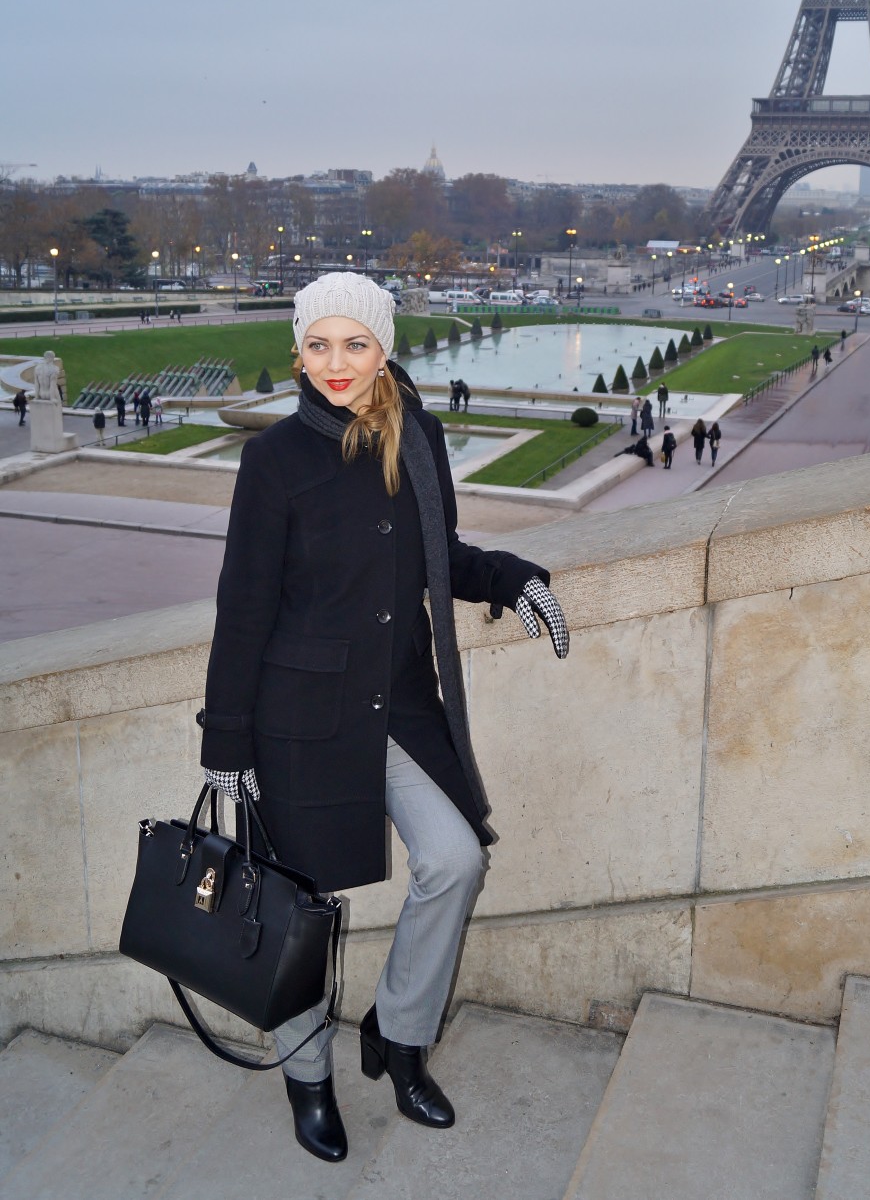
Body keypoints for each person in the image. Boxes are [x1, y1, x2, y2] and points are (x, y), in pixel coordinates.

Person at [199, 274, 569, 1164]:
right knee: (299, 908)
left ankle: (398, 1038)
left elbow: (436, 560)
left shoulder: (421, 435)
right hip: (300, 716)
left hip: (398, 704)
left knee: (453, 860)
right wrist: (226, 742)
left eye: (355, 345)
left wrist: (510, 576)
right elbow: (243, 608)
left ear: (385, 348)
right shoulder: (275, 460)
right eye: (319, 345)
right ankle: (307, 1076)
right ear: (298, 351)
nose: (337, 364)